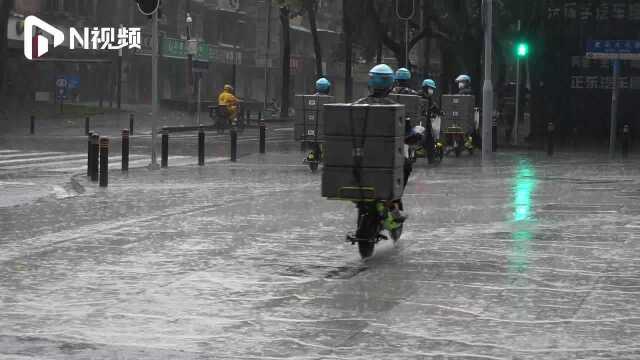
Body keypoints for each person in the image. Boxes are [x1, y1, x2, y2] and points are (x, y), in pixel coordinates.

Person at [354, 64, 424, 225]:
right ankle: (394, 199)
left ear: (370, 83)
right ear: (390, 84)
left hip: (360, 158)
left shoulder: (356, 106)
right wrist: (418, 133)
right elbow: (407, 136)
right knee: (406, 165)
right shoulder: (396, 109)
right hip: (386, 160)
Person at [419, 79, 441, 163]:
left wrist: (438, 111)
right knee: (430, 139)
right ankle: (431, 159)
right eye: (430, 88)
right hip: (423, 122)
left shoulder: (428, 97)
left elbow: (434, 107)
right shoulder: (420, 96)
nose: (431, 90)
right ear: (425, 88)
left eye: (432, 88)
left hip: (422, 121)